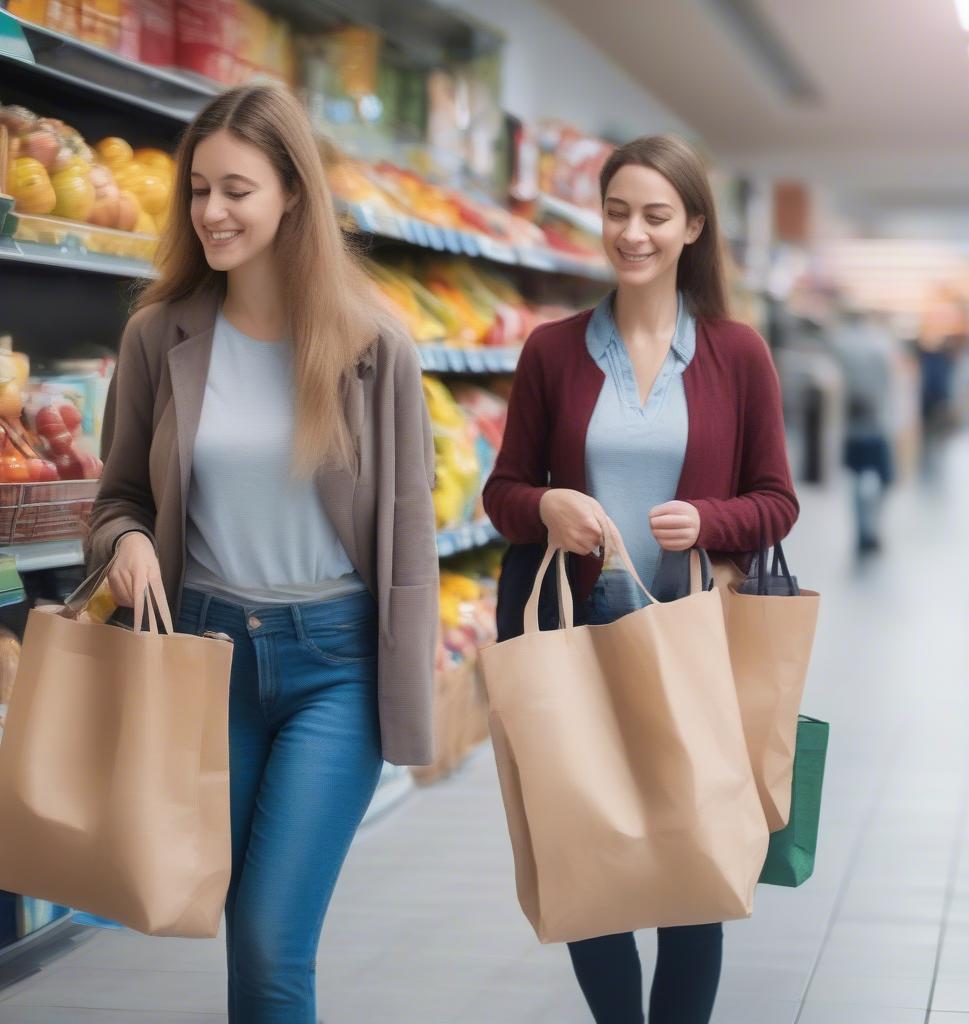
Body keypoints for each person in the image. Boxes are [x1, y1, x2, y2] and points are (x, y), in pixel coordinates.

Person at [86, 82, 438, 1024]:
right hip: (205, 657)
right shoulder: (160, 336)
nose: (210, 211)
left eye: (235, 189)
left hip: (335, 669)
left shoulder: (373, 349)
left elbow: (409, 544)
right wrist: (125, 543)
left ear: (292, 192)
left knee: (273, 939)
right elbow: (118, 496)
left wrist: (413, 710)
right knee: (236, 927)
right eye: (198, 189)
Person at [482, 135, 798, 1024]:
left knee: (695, 867)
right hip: (574, 649)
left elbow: (776, 501)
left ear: (692, 226)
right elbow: (501, 493)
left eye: (655, 215)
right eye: (617, 211)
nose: (633, 233)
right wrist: (545, 507)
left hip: (694, 648)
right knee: (591, 859)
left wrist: (710, 520)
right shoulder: (552, 352)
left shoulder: (739, 356)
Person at [830, 307, 898, 553]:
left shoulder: (842, 344)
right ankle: (871, 528)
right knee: (882, 479)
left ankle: (864, 528)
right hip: (877, 425)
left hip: (855, 426)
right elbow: (889, 385)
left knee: (858, 480)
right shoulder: (880, 344)